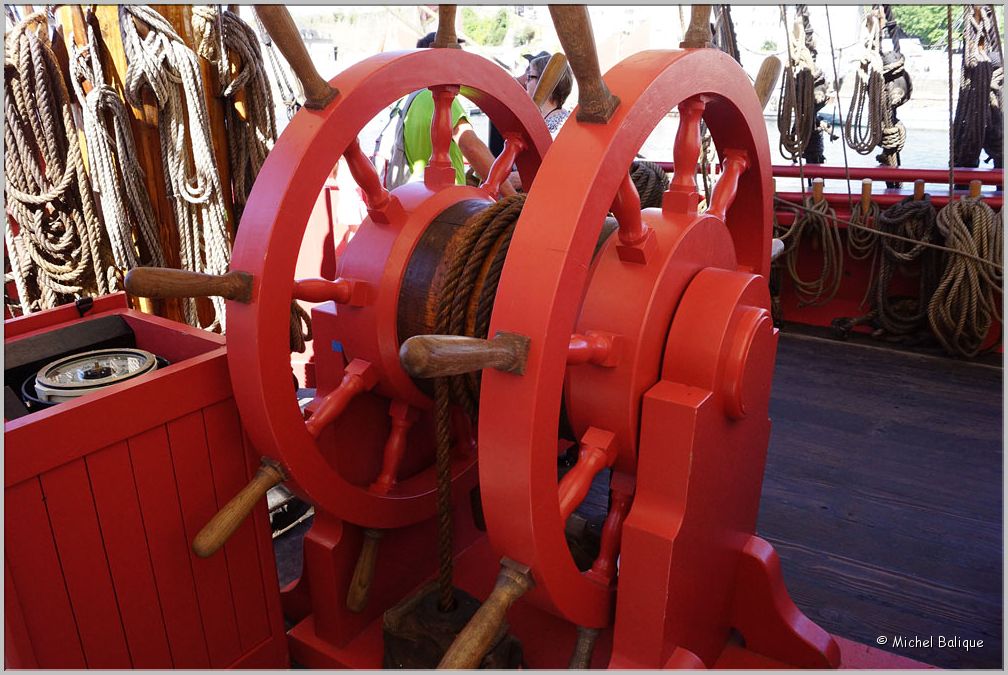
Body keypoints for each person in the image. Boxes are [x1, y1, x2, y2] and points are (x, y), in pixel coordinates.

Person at [400, 32, 515, 196]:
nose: (462, 63)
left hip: (421, 199)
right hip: (450, 206)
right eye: (456, 56)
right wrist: (513, 199)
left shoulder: (409, 101)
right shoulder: (440, 100)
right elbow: (470, 146)